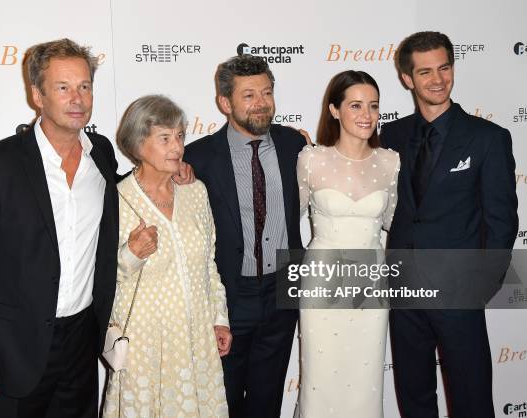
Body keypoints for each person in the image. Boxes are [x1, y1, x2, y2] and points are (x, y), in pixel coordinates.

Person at [0, 39, 119, 418]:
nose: (77, 98)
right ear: (37, 96)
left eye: (85, 86)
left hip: (81, 342)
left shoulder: (103, 155)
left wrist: (173, 172)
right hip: (14, 350)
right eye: (63, 87)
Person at [381, 31, 518, 418]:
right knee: (414, 397)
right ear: (408, 79)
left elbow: (502, 219)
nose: (437, 79)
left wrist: (479, 286)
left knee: (472, 400)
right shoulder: (392, 135)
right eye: (425, 72)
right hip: (404, 290)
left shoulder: (488, 138)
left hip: (459, 292)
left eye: (444, 67)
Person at [183, 54, 306, 418]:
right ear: (225, 103)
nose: (261, 103)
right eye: (249, 95)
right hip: (228, 297)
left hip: (283, 290)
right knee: (224, 399)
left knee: (268, 400)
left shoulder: (295, 147)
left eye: (266, 93)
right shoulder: (198, 158)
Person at [102, 95, 231, 418]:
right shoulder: (116, 199)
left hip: (198, 338)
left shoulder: (195, 192)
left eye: (179, 137)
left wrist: (219, 318)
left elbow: (209, 265)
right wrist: (131, 254)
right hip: (145, 344)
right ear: (138, 143)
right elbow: (100, 281)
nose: (177, 147)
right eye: (164, 138)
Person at [295, 70, 399, 417]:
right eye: (355, 105)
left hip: (370, 280)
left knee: (365, 377)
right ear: (334, 110)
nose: (366, 115)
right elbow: (286, 216)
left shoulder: (391, 162)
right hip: (322, 279)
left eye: (373, 106)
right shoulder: (310, 159)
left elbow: (394, 223)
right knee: (320, 378)